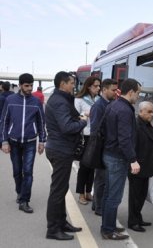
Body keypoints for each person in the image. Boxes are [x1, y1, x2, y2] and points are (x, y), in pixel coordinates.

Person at [45, 71, 88, 241]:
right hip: (60, 149)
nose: (73, 86)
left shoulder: (59, 100)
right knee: (58, 190)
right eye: (71, 83)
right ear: (62, 84)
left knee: (60, 189)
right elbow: (67, 127)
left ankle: (61, 222)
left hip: (59, 148)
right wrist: (83, 121)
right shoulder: (60, 102)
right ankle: (53, 229)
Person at [101, 78, 141, 240]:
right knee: (114, 196)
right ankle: (108, 230)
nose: (139, 97)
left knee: (108, 193)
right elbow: (124, 138)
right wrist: (133, 160)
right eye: (138, 93)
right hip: (118, 158)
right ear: (130, 92)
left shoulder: (113, 105)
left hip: (109, 154)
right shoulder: (125, 110)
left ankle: (107, 225)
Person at [0, 73, 46, 213]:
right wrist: (4, 141)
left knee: (28, 172)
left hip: (30, 142)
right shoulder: (10, 100)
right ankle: (20, 192)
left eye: (31, 85)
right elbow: (4, 121)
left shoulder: (36, 101)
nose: (29, 88)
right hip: (13, 142)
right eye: (26, 85)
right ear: (20, 85)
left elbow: (41, 122)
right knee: (16, 171)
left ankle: (25, 200)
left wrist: (42, 141)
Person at [128, 101, 153, 232]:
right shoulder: (136, 125)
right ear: (141, 111)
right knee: (135, 196)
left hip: (146, 167)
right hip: (138, 167)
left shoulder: (147, 125)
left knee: (141, 195)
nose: (152, 114)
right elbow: (132, 146)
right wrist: (133, 162)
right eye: (149, 112)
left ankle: (138, 217)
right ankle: (133, 221)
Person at [89, 79, 119, 216]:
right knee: (101, 178)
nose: (115, 92)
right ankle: (99, 206)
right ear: (104, 90)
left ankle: (97, 204)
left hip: (108, 146)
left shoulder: (111, 104)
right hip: (101, 147)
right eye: (113, 90)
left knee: (104, 178)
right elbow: (95, 129)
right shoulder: (98, 106)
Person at [74, 76, 101, 205]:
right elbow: (74, 116)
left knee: (92, 166)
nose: (98, 88)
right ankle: (81, 193)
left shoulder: (99, 99)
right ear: (89, 86)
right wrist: (85, 115)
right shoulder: (79, 100)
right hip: (84, 135)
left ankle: (89, 191)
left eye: (99, 86)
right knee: (84, 166)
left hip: (96, 135)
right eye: (96, 86)